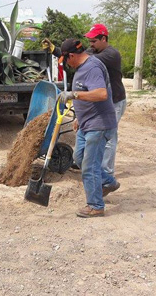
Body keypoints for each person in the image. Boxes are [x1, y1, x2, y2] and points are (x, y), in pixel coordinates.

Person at [57, 38, 117, 218]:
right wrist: (79, 117)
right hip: (86, 122)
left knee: (89, 166)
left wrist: (74, 94)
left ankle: (96, 206)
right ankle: (108, 182)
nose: (66, 64)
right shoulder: (83, 66)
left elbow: (101, 93)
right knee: (79, 157)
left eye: (66, 60)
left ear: (72, 55)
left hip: (98, 125)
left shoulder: (92, 68)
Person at [84, 24, 126, 189]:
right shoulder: (94, 51)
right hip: (103, 102)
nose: (91, 44)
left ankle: (106, 174)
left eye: (94, 41)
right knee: (98, 135)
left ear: (104, 39)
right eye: (89, 41)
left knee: (109, 137)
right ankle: (97, 168)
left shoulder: (111, 54)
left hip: (115, 102)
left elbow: (85, 59)